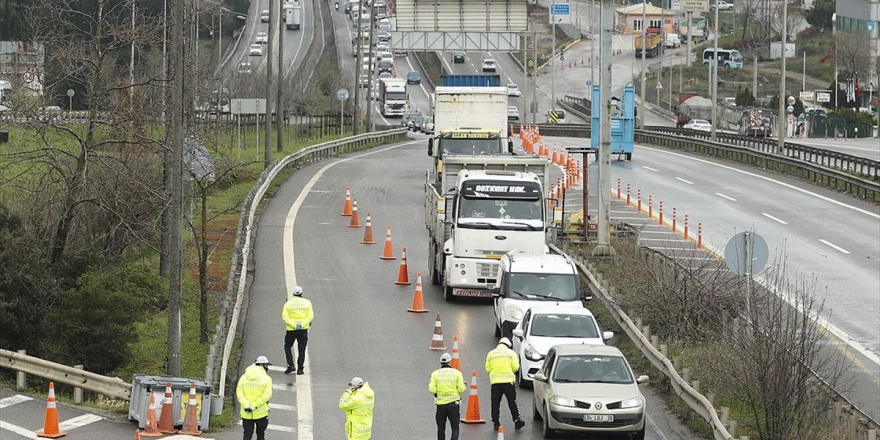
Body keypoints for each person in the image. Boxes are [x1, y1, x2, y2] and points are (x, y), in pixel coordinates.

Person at [484, 338, 525, 432]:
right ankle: (517, 421)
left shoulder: (491, 353)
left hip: (495, 382)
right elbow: (516, 367)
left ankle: (496, 423)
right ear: (508, 345)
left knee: (495, 403)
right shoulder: (511, 353)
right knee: (512, 402)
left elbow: (487, 368)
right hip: (508, 382)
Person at [428, 353, 466, 440]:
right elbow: (461, 389)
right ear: (450, 362)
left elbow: (431, 389)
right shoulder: (457, 373)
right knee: (455, 427)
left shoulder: (435, 374)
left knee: (441, 428)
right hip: (454, 405)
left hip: (440, 405)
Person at [236, 356, 274, 440]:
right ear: (262, 365)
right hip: (261, 413)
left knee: (247, 435)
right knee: (260, 435)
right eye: (266, 365)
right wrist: (255, 405)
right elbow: (267, 396)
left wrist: (247, 405)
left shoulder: (244, 377)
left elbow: (239, 393)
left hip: (246, 412)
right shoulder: (267, 379)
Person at [282, 286, 314, 375]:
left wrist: (294, 325)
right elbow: (310, 317)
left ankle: (290, 365)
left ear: (293, 293)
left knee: (287, 346)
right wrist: (301, 325)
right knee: (302, 349)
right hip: (303, 329)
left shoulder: (288, 304)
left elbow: (285, 317)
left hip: (291, 330)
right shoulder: (307, 303)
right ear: (301, 293)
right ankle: (300, 369)